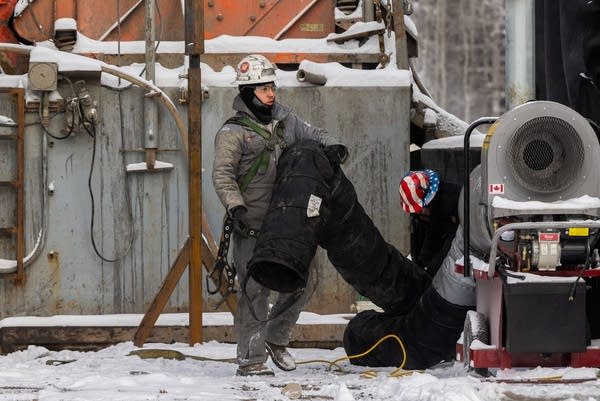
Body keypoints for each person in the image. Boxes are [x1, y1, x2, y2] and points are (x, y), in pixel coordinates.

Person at [212, 54, 347, 376]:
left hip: (287, 221)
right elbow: (222, 176)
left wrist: (334, 149)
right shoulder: (232, 133)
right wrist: (236, 207)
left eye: (271, 86)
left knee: (302, 279)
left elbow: (317, 136)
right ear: (247, 93)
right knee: (254, 291)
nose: (270, 93)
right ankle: (251, 360)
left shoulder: (287, 120)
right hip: (252, 223)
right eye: (262, 88)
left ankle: (276, 338)